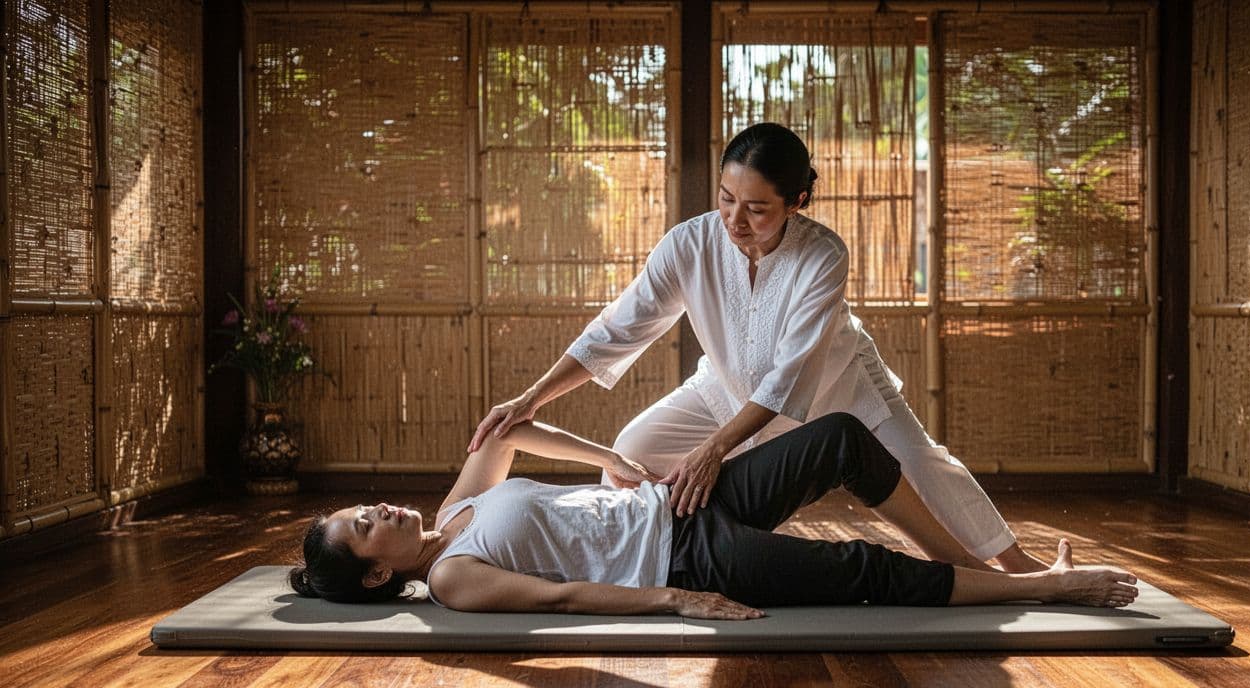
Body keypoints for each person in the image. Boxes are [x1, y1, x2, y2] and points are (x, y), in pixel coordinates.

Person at [469, 122, 1047, 574]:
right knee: (634, 450)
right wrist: (531, 399)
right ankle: (652, 557)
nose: (735, 220)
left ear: (797, 201)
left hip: (838, 386)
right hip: (724, 387)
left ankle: (1014, 568)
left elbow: (789, 377)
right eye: (726, 199)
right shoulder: (689, 245)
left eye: (757, 208)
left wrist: (715, 450)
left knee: (918, 465)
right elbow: (616, 329)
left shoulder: (823, 256)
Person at [290, 413, 1138, 618]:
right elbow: (564, 599)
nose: (377, 509)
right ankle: (1043, 590)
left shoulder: (457, 507)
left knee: (840, 438)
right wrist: (675, 600)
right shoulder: (451, 578)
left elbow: (508, 430)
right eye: (365, 526)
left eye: (363, 508)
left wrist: (610, 458)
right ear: (379, 571)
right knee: (863, 570)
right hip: (690, 560)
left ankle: (982, 564)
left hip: (681, 499)